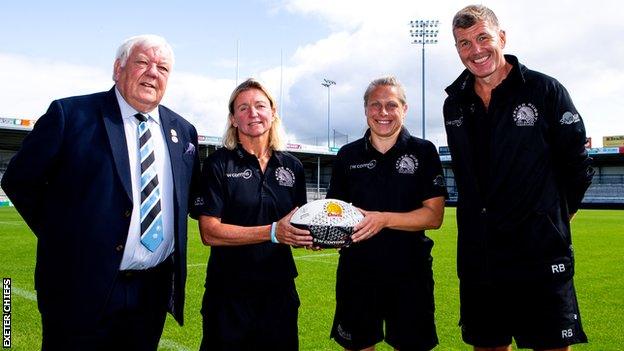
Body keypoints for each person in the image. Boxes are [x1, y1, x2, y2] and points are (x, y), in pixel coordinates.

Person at [1, 34, 200, 350]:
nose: (153, 73)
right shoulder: (71, 115)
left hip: (150, 291)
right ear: (117, 68)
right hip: (78, 286)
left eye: (162, 68)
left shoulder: (183, 131)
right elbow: (19, 180)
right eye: (142, 62)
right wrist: (65, 237)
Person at [443, 5, 594, 351]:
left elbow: (578, 165)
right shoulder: (454, 103)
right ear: (457, 49)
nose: (476, 50)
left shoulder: (545, 90)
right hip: (480, 256)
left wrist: (552, 217)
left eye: (483, 37)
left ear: (502, 37)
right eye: (464, 43)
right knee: (489, 345)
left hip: (540, 255)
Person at [327, 76, 447, 351]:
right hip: (356, 272)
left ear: (404, 109)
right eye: (375, 105)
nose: (383, 113)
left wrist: (382, 219)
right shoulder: (348, 155)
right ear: (365, 109)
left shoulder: (424, 151)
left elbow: (434, 217)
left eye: (391, 105)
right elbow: (336, 212)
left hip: (410, 272)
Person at [194, 78, 313, 351]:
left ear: (272, 113)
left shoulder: (292, 167)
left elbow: (296, 226)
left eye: (260, 106)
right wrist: (272, 231)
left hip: (279, 292)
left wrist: (314, 236)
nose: (253, 113)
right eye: (243, 108)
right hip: (228, 294)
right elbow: (209, 232)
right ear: (233, 119)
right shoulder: (218, 164)